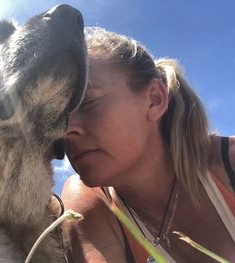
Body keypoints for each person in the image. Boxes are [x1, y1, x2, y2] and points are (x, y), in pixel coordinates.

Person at [61, 27, 235, 263]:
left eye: (88, 102)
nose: (64, 129)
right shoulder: (91, 202)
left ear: (154, 99)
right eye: (58, 114)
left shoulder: (228, 165)